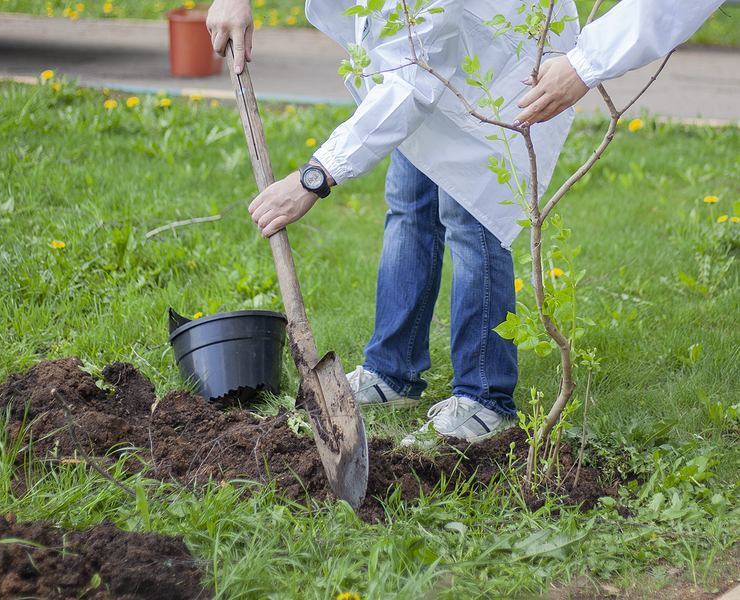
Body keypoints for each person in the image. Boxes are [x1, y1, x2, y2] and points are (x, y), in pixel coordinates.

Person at [207, 0, 726, 446]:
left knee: (469, 213)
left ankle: (484, 397)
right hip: (430, 55)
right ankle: (393, 369)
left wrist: (315, 177)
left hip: (494, 65)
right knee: (408, 201)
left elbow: (411, 84)